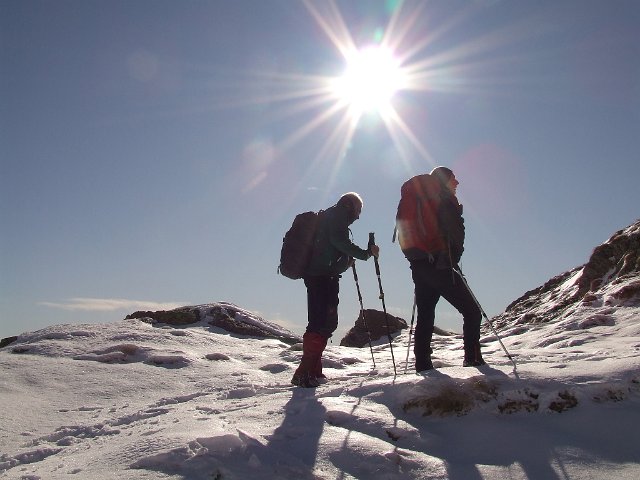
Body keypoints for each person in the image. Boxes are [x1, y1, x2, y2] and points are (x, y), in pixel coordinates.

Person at [292, 192, 380, 388]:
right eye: (358, 211)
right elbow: (339, 241)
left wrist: (345, 261)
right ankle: (304, 373)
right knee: (321, 322)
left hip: (321, 276)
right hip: (321, 277)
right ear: (349, 206)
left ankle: (313, 371)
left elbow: (332, 245)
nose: (358, 216)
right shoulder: (338, 216)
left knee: (322, 322)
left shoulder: (330, 216)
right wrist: (365, 254)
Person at [407, 166, 484, 372]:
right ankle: (472, 357)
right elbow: (453, 233)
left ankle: (422, 364)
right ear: (444, 181)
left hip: (420, 265)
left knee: (425, 315)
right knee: (472, 312)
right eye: (453, 179)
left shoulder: (421, 201)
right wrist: (450, 259)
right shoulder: (444, 200)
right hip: (441, 264)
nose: (457, 183)